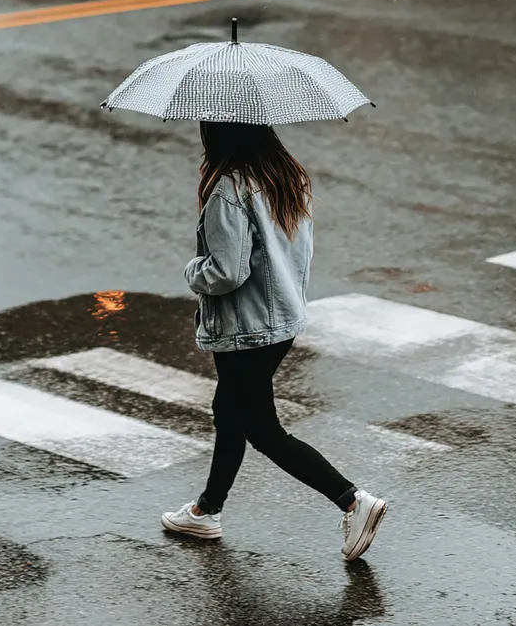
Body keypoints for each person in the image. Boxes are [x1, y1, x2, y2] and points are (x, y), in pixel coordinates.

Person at [161, 121, 387, 561]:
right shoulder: (285, 174)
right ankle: (207, 510)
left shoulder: (229, 188)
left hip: (246, 327)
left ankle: (353, 501)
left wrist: (192, 271)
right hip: (280, 319)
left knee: (261, 428)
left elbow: (226, 272)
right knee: (229, 412)